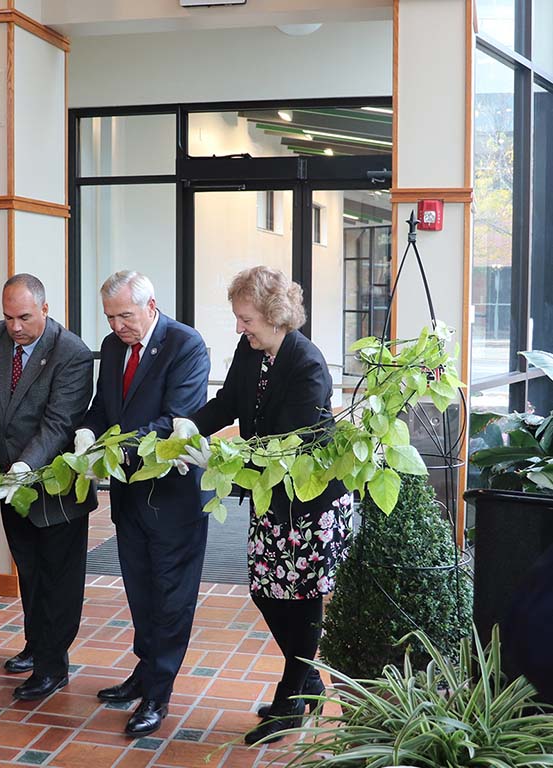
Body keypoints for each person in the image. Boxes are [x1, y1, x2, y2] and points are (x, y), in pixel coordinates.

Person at [172, 265, 351, 744]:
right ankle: (308, 683)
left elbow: (288, 447)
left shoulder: (307, 363)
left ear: (274, 314)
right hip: (271, 495)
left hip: (311, 501)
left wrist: (220, 462)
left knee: (304, 599)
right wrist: (188, 426)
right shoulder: (250, 351)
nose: (238, 327)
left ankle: (292, 699)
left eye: (245, 318)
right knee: (265, 591)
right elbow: (228, 402)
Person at [76, 270, 211, 738]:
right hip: (129, 494)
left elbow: (173, 420)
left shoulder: (185, 345)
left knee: (172, 595)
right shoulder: (113, 348)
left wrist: (110, 450)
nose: (117, 327)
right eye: (111, 317)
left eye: (125, 316)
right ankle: (144, 670)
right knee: (139, 586)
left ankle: (159, 692)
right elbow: (102, 407)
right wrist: (88, 435)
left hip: (172, 497)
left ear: (151, 306)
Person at [0, 273, 96, 701]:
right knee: (30, 573)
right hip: (7, 485)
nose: (14, 327)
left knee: (58, 579)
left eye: (24, 317)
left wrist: (21, 468)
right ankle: (37, 645)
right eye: (8, 316)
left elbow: (58, 424)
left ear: (45, 309)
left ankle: (53, 667)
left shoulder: (71, 352)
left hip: (54, 487)